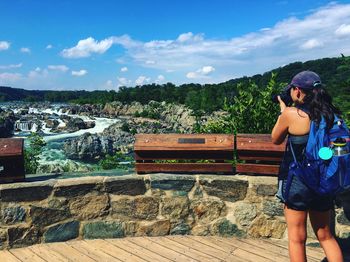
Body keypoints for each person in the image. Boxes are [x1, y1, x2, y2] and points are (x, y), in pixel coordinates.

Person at [271, 71, 344, 262]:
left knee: (297, 238)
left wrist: (283, 112)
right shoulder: (331, 115)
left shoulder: (290, 114)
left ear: (297, 91)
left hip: (299, 181)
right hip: (325, 180)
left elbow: (275, 139)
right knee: (326, 235)